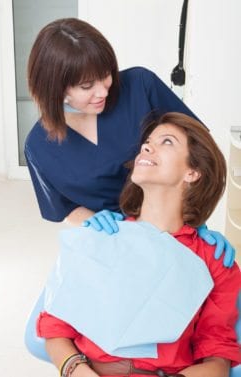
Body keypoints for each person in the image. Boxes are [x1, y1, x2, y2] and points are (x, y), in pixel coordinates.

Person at [36, 112, 240, 377]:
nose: (146, 146)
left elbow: (218, 356)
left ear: (192, 172)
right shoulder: (103, 236)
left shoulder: (213, 260)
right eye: (147, 141)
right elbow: (56, 326)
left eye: (166, 142)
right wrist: (78, 371)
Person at [25, 17, 234, 266]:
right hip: (117, 244)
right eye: (86, 85)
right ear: (55, 89)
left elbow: (200, 151)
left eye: (105, 75)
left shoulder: (140, 86)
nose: (103, 91)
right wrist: (94, 222)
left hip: (180, 224)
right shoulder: (38, 147)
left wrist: (196, 222)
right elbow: (62, 207)